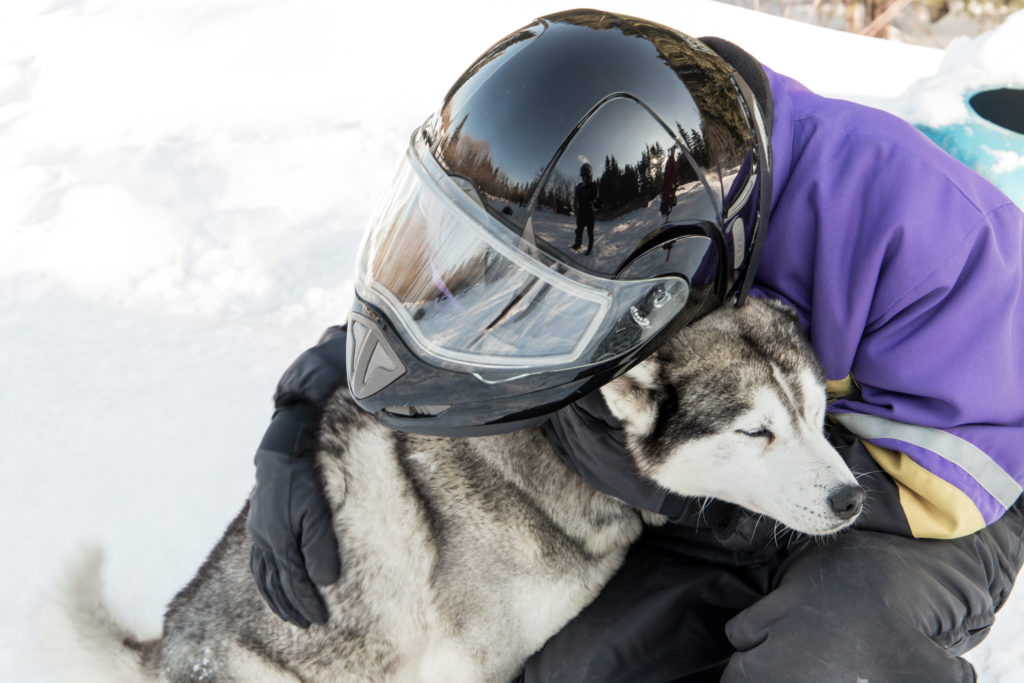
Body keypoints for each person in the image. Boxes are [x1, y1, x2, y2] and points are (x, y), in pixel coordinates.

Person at [245, 10, 1024, 681]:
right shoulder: (625, 171)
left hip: (913, 505)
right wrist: (311, 399)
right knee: (580, 669)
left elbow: (950, 490)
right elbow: (471, 297)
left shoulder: (934, 238)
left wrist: (682, 470)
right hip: (716, 467)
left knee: (824, 654)